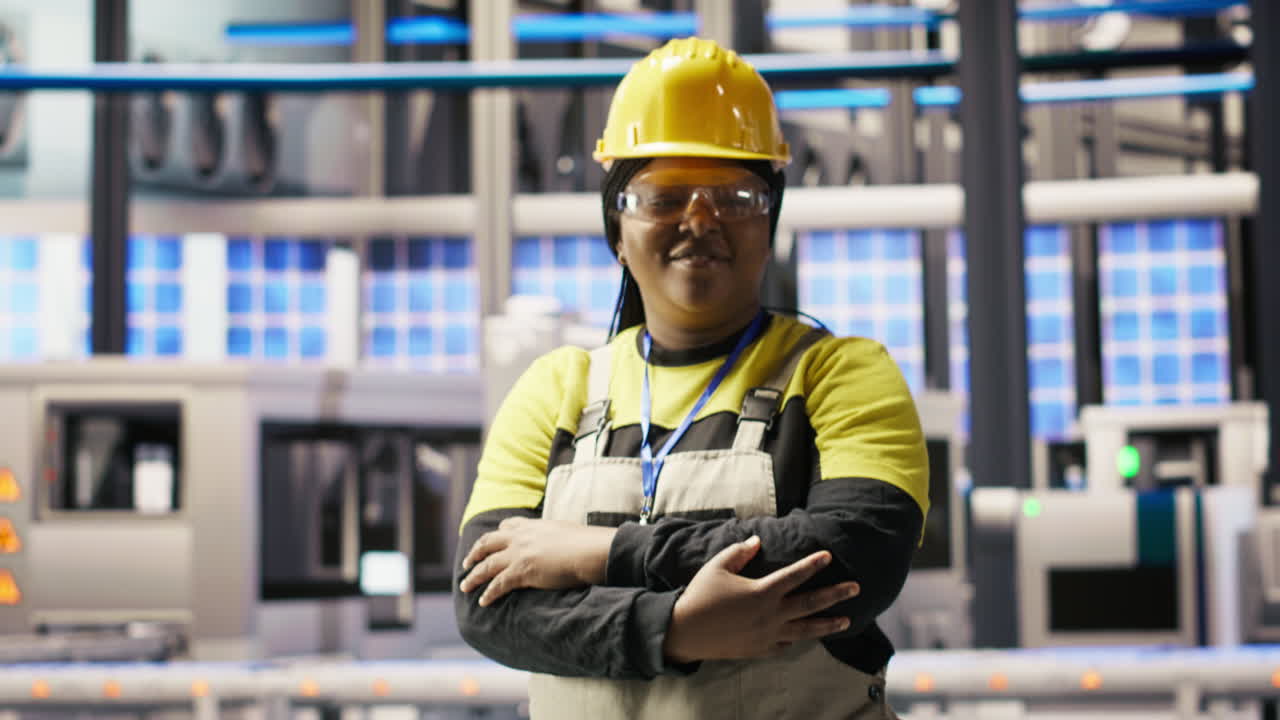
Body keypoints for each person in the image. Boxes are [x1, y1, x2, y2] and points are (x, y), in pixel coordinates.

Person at [454, 37, 928, 720]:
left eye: (735, 195)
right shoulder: (556, 389)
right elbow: (485, 602)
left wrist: (598, 553)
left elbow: (853, 557)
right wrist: (676, 630)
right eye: (664, 195)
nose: (700, 221)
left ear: (769, 225)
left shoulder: (839, 374)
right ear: (617, 227)